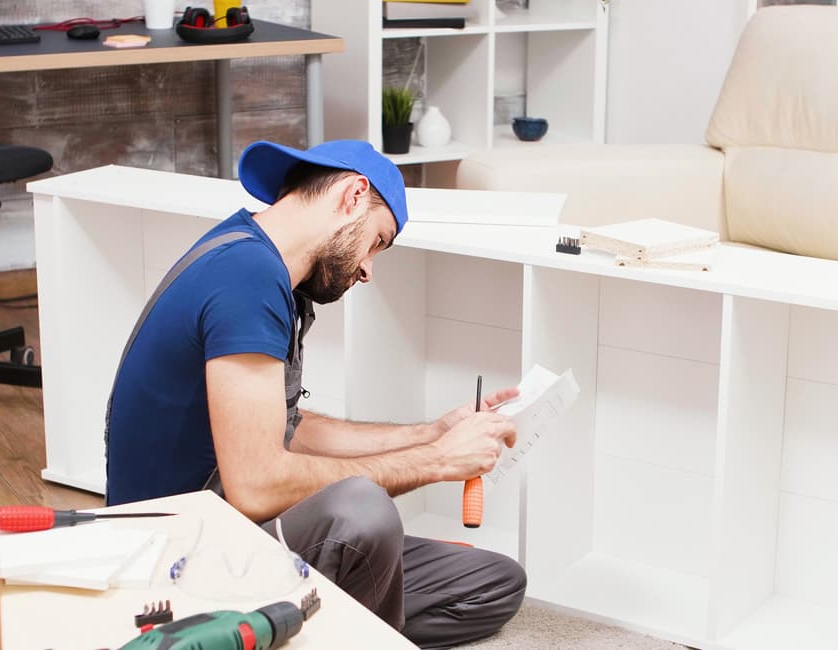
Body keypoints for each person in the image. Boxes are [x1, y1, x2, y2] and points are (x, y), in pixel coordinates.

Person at [105, 139, 526, 648]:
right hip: (178, 554)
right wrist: (436, 460)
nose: (369, 269)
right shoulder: (248, 277)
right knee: (360, 512)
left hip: (231, 527)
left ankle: (300, 623)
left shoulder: (258, 262)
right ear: (353, 196)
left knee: (492, 582)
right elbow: (256, 485)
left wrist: (431, 432)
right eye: (377, 241)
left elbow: (288, 429)